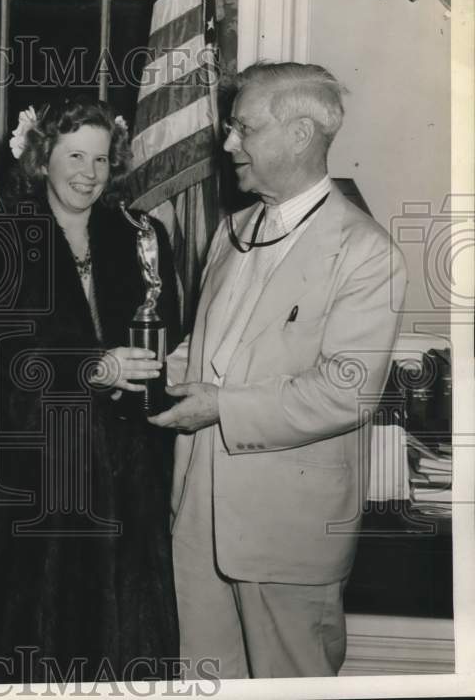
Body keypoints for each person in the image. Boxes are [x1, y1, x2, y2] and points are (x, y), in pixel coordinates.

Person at [148, 62, 407, 678]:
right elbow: (212, 347)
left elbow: (346, 394)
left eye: (244, 128)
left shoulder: (367, 253)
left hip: (286, 539)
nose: (228, 143)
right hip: (197, 523)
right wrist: (152, 374)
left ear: (299, 135)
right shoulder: (232, 230)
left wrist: (220, 406)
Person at [0, 96, 181, 685]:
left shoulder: (144, 238)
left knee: (127, 638)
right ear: (42, 157)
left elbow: (169, 347)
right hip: (39, 475)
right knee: (39, 638)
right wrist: (91, 367)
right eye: (74, 155)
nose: (88, 172)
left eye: (102, 159)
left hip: (128, 475)